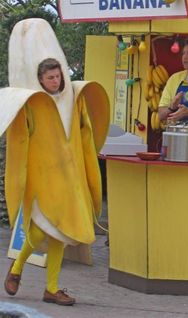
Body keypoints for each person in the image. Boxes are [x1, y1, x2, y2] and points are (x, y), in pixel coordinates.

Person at [2, 18, 109, 307]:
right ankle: (16, 268)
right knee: (38, 231)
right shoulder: (31, 104)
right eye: (50, 78)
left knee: (59, 234)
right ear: (40, 80)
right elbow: (18, 139)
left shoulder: (74, 96)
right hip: (42, 181)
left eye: (58, 76)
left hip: (67, 180)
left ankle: (51, 289)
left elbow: (86, 132)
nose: (56, 81)